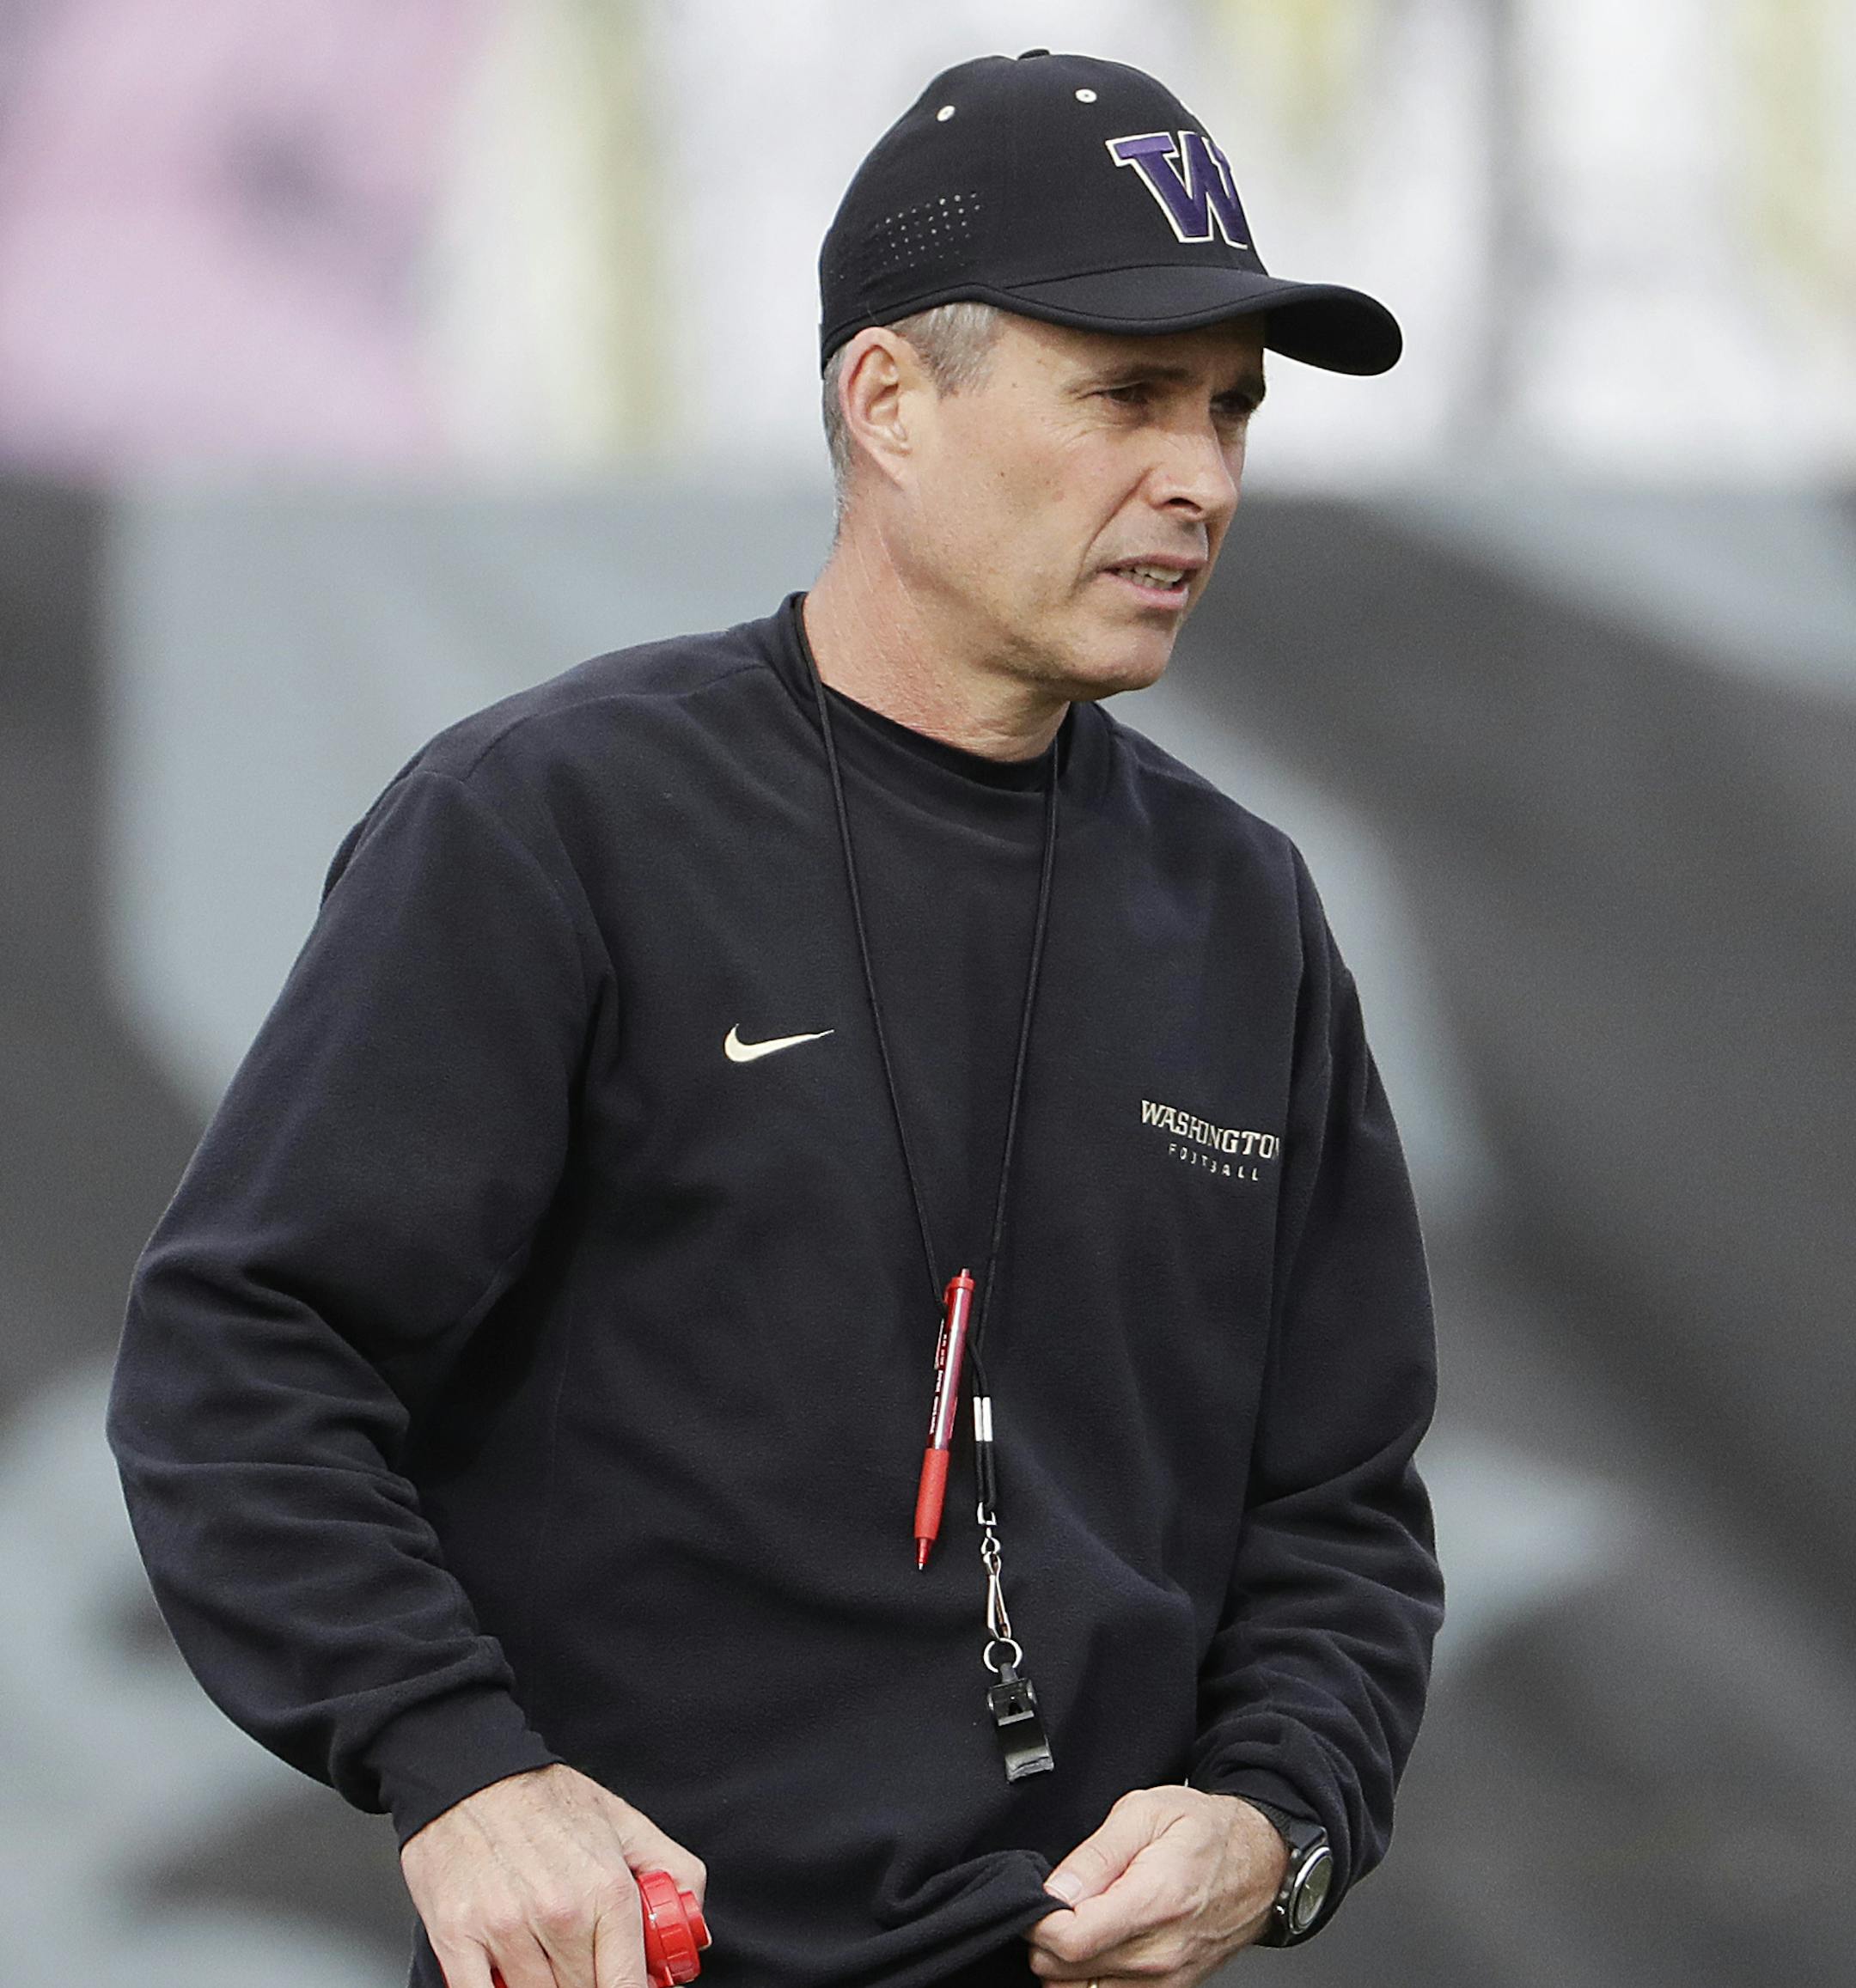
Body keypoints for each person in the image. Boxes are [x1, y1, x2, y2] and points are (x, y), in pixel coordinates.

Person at [107, 48, 1444, 1988]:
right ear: (888, 400)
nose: (1204, 477)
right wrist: (462, 1765)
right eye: (1129, 398)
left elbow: (1340, 1511)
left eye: (1234, 411)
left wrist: (1279, 1820)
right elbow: (244, 1351)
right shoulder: (555, 821)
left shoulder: (1244, 909)